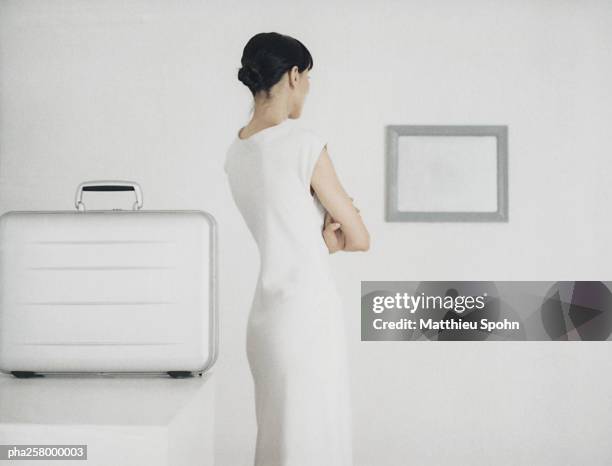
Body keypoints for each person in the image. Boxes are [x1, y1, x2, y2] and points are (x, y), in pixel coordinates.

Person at [223, 31, 370, 466]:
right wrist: (334, 238)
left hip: (266, 319)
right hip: (307, 315)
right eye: (306, 77)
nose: (307, 87)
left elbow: (281, 228)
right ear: (292, 75)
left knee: (281, 442)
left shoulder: (236, 152)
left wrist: (320, 242)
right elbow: (360, 237)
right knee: (315, 441)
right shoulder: (303, 143)